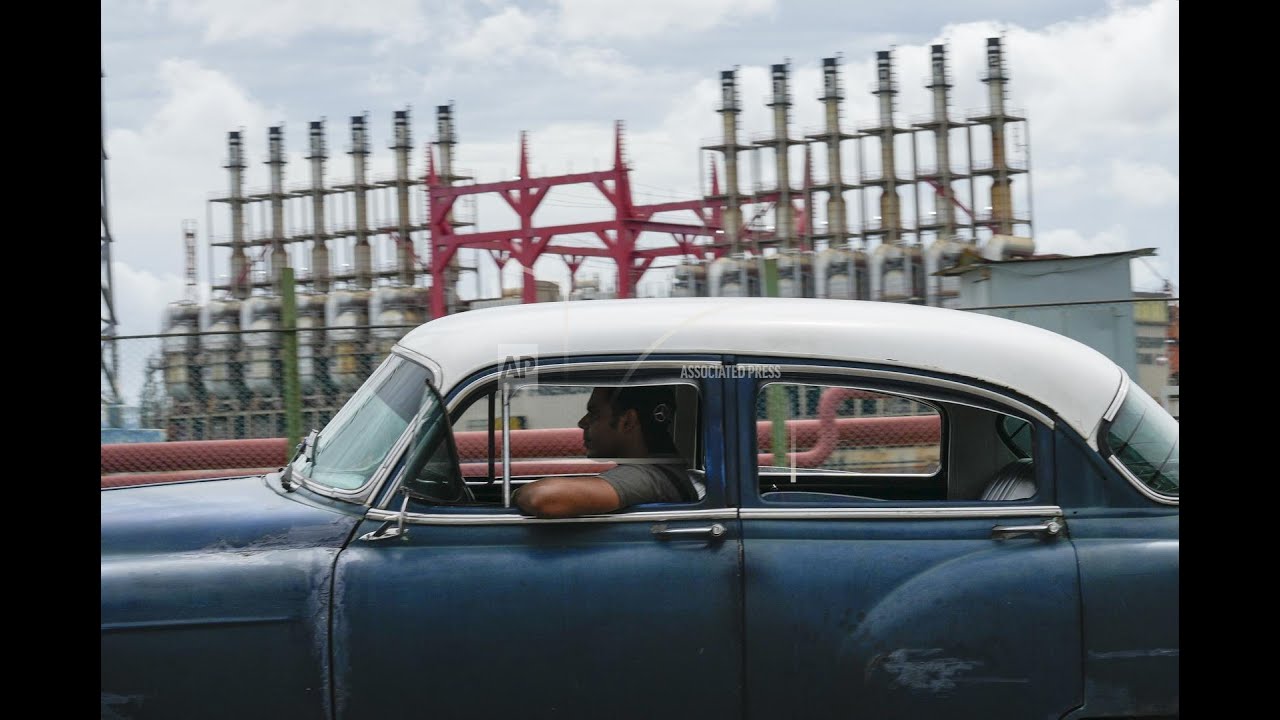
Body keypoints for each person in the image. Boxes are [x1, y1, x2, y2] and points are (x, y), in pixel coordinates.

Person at [513, 385, 697, 518]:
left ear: (627, 421)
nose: (582, 422)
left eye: (594, 414)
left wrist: (514, 495)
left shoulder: (648, 476)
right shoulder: (663, 470)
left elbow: (544, 497)